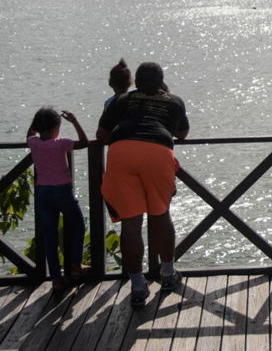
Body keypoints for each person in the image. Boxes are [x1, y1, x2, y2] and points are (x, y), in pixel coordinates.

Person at [97, 62, 189, 307]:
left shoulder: (121, 101)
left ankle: (138, 286)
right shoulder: (174, 101)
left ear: (135, 81)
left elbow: (101, 136)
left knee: (131, 223)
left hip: (122, 151)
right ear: (161, 81)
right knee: (160, 214)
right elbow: (182, 133)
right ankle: (168, 274)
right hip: (157, 152)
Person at [26, 107, 89, 293]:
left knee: (50, 236)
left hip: (43, 193)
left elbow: (30, 133)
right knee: (77, 226)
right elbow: (84, 143)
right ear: (56, 127)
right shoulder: (61, 143)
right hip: (62, 191)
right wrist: (75, 121)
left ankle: (56, 279)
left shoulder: (33, 142)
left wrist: (36, 122)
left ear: (37, 126)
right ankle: (75, 267)